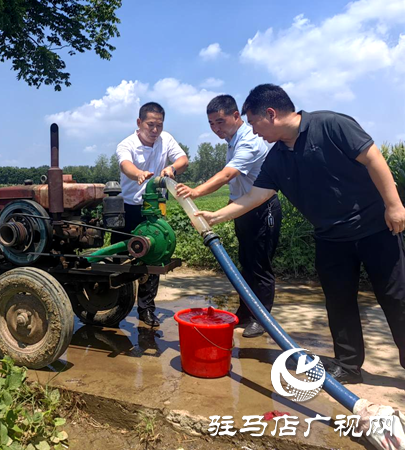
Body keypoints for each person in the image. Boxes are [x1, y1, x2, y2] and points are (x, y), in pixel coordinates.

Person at [194, 84, 405, 384]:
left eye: (254, 122)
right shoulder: (277, 157)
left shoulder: (330, 125)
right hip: (330, 238)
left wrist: (394, 205)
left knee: (396, 297)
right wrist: (216, 216)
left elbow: (373, 158)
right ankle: (348, 366)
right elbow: (256, 195)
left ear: (271, 114)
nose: (254, 131)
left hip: (375, 228)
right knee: (339, 301)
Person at [176, 95, 282, 338]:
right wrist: (229, 206)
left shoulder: (250, 140)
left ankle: (262, 319)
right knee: (246, 263)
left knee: (259, 266)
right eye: (212, 124)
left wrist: (195, 192)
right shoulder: (233, 141)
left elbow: (227, 175)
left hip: (262, 210)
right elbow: (240, 184)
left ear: (236, 116)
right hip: (242, 209)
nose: (216, 128)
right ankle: (246, 312)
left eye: (220, 122)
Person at [115, 102, 189, 327]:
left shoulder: (166, 139)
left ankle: (146, 309)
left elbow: (183, 159)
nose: (155, 130)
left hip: (155, 208)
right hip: (129, 207)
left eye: (159, 125)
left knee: (154, 255)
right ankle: (114, 305)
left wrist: (172, 168)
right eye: (150, 125)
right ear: (139, 123)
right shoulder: (126, 144)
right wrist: (138, 174)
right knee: (120, 257)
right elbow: (125, 165)